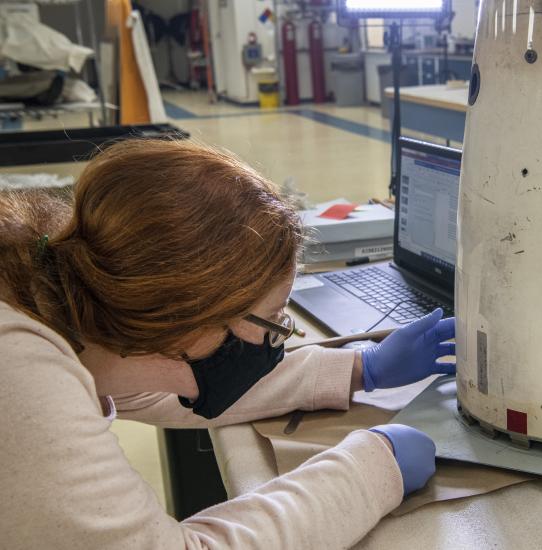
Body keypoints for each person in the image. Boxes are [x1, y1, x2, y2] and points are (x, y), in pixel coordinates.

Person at [0, 140, 456, 549]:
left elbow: (154, 388)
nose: (276, 336)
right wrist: (372, 469)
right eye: (273, 318)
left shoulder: (71, 313)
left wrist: (362, 367)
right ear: (186, 317)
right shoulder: (19, 372)